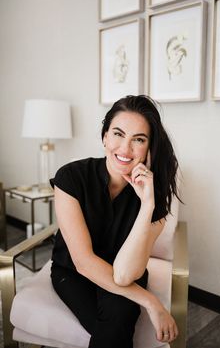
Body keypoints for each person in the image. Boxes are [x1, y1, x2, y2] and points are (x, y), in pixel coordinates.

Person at [50, 95, 180, 348]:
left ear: (149, 148)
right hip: (73, 272)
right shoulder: (71, 178)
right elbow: (83, 262)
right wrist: (151, 302)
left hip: (126, 273)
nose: (125, 149)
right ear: (104, 137)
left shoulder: (154, 194)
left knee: (117, 316)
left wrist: (148, 205)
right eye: (118, 134)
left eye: (139, 140)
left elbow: (124, 275)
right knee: (114, 327)